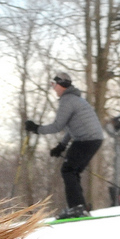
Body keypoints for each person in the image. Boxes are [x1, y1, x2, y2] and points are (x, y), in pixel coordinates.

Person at [25, 73, 104, 219]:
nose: (53, 88)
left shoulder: (67, 100)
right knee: (72, 171)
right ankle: (80, 206)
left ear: (61, 85)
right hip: (93, 139)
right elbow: (71, 127)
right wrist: (62, 146)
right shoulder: (75, 99)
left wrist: (36, 129)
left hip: (86, 140)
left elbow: (57, 126)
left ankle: (76, 208)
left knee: (68, 170)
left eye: (54, 85)